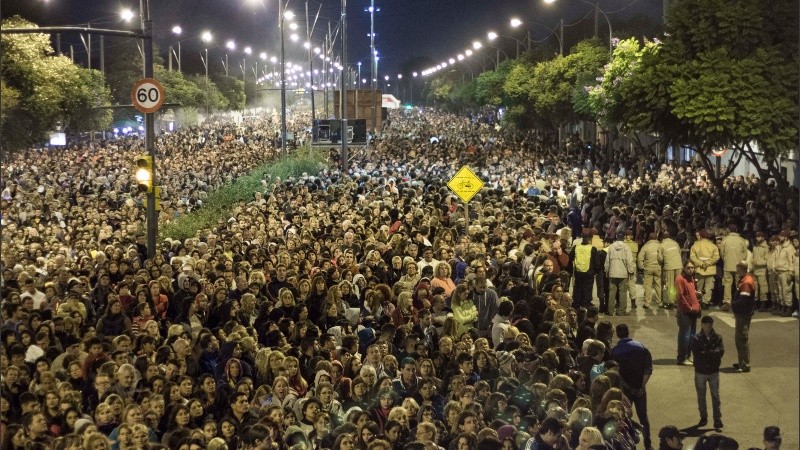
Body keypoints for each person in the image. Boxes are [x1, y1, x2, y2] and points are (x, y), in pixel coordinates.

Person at [611, 323, 652, 450]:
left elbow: (616, 374)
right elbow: (648, 369)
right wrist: (641, 386)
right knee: (643, 417)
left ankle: (629, 443)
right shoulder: (641, 348)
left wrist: (627, 387)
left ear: (617, 334)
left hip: (625, 391)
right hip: (640, 390)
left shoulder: (615, 351)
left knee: (625, 418)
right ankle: (648, 444)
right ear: (628, 332)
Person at [690, 316, 723, 429]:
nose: (708, 327)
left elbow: (721, 352)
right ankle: (703, 417)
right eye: (706, 324)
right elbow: (698, 354)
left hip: (712, 371)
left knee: (715, 396)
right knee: (701, 396)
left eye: (710, 324)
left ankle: (717, 419)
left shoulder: (717, 337)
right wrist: (713, 354)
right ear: (702, 325)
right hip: (701, 371)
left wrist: (707, 353)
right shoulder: (696, 338)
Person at [730, 261, 755, 373]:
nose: (736, 271)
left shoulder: (745, 282)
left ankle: (745, 364)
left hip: (743, 314)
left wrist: (731, 304)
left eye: (737, 269)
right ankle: (742, 362)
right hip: (743, 313)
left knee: (742, 339)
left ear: (741, 269)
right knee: (740, 338)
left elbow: (743, 301)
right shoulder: (746, 279)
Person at [675, 260, 701, 366]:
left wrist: (696, 294)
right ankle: (682, 357)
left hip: (693, 310)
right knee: (685, 335)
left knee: (692, 335)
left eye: (692, 268)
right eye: (688, 268)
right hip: (685, 311)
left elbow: (688, 293)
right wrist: (689, 308)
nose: (691, 270)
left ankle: (689, 356)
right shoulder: (680, 279)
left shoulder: (691, 278)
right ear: (684, 268)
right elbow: (680, 296)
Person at [604, 233, 636, 316]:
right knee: (623, 292)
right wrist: (631, 271)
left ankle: (610, 311)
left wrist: (606, 270)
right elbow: (629, 260)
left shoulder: (611, 247)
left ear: (616, 237)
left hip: (612, 272)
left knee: (611, 292)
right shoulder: (626, 247)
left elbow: (607, 261)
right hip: (623, 273)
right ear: (623, 238)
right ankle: (621, 311)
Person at [719, 224, 749, 307]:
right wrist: (741, 260)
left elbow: (722, 252)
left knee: (727, 284)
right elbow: (745, 253)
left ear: (729, 230)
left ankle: (727, 302)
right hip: (739, 265)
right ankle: (740, 300)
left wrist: (725, 259)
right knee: (739, 284)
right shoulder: (741, 240)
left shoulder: (725, 239)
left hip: (728, 265)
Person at [689, 230, 720, 309]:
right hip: (710, 269)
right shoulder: (713, 246)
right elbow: (716, 257)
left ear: (700, 236)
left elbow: (692, 257)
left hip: (699, 269)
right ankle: (706, 302)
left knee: (698, 286)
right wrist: (708, 263)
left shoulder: (695, 245)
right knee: (709, 287)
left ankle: (698, 301)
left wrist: (701, 263)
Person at [638, 233, 663, 310]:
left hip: (648, 268)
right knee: (658, 286)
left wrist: (641, 267)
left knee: (648, 286)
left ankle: (647, 303)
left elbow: (640, 257)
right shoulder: (660, 246)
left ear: (649, 238)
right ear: (656, 238)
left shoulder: (645, 246)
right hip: (658, 268)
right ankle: (660, 302)